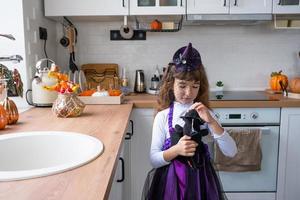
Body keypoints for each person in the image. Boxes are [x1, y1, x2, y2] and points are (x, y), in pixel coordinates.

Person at [142, 43, 237, 200]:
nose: (188, 92)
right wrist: (176, 150)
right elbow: (154, 159)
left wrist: (212, 122)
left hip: (202, 186)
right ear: (170, 84)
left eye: (195, 86)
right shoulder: (163, 117)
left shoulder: (206, 114)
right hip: (170, 187)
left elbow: (231, 151)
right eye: (182, 85)